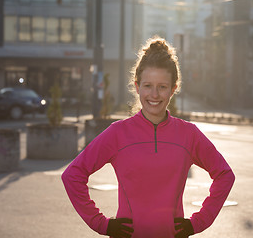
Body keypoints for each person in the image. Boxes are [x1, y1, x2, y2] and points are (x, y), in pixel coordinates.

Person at [62, 37, 235, 238]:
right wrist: (102, 224)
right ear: (137, 87)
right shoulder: (118, 133)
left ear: (173, 88)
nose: (154, 94)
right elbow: (73, 175)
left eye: (162, 86)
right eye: (147, 86)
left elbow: (225, 175)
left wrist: (198, 223)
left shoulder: (189, 134)